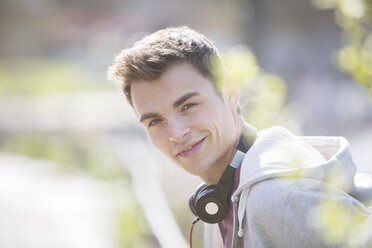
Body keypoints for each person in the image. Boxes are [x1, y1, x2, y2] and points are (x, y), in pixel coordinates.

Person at [107, 26, 372, 248]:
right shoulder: (222, 193)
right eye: (155, 121)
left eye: (188, 106)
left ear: (231, 91)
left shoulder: (275, 198)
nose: (176, 134)